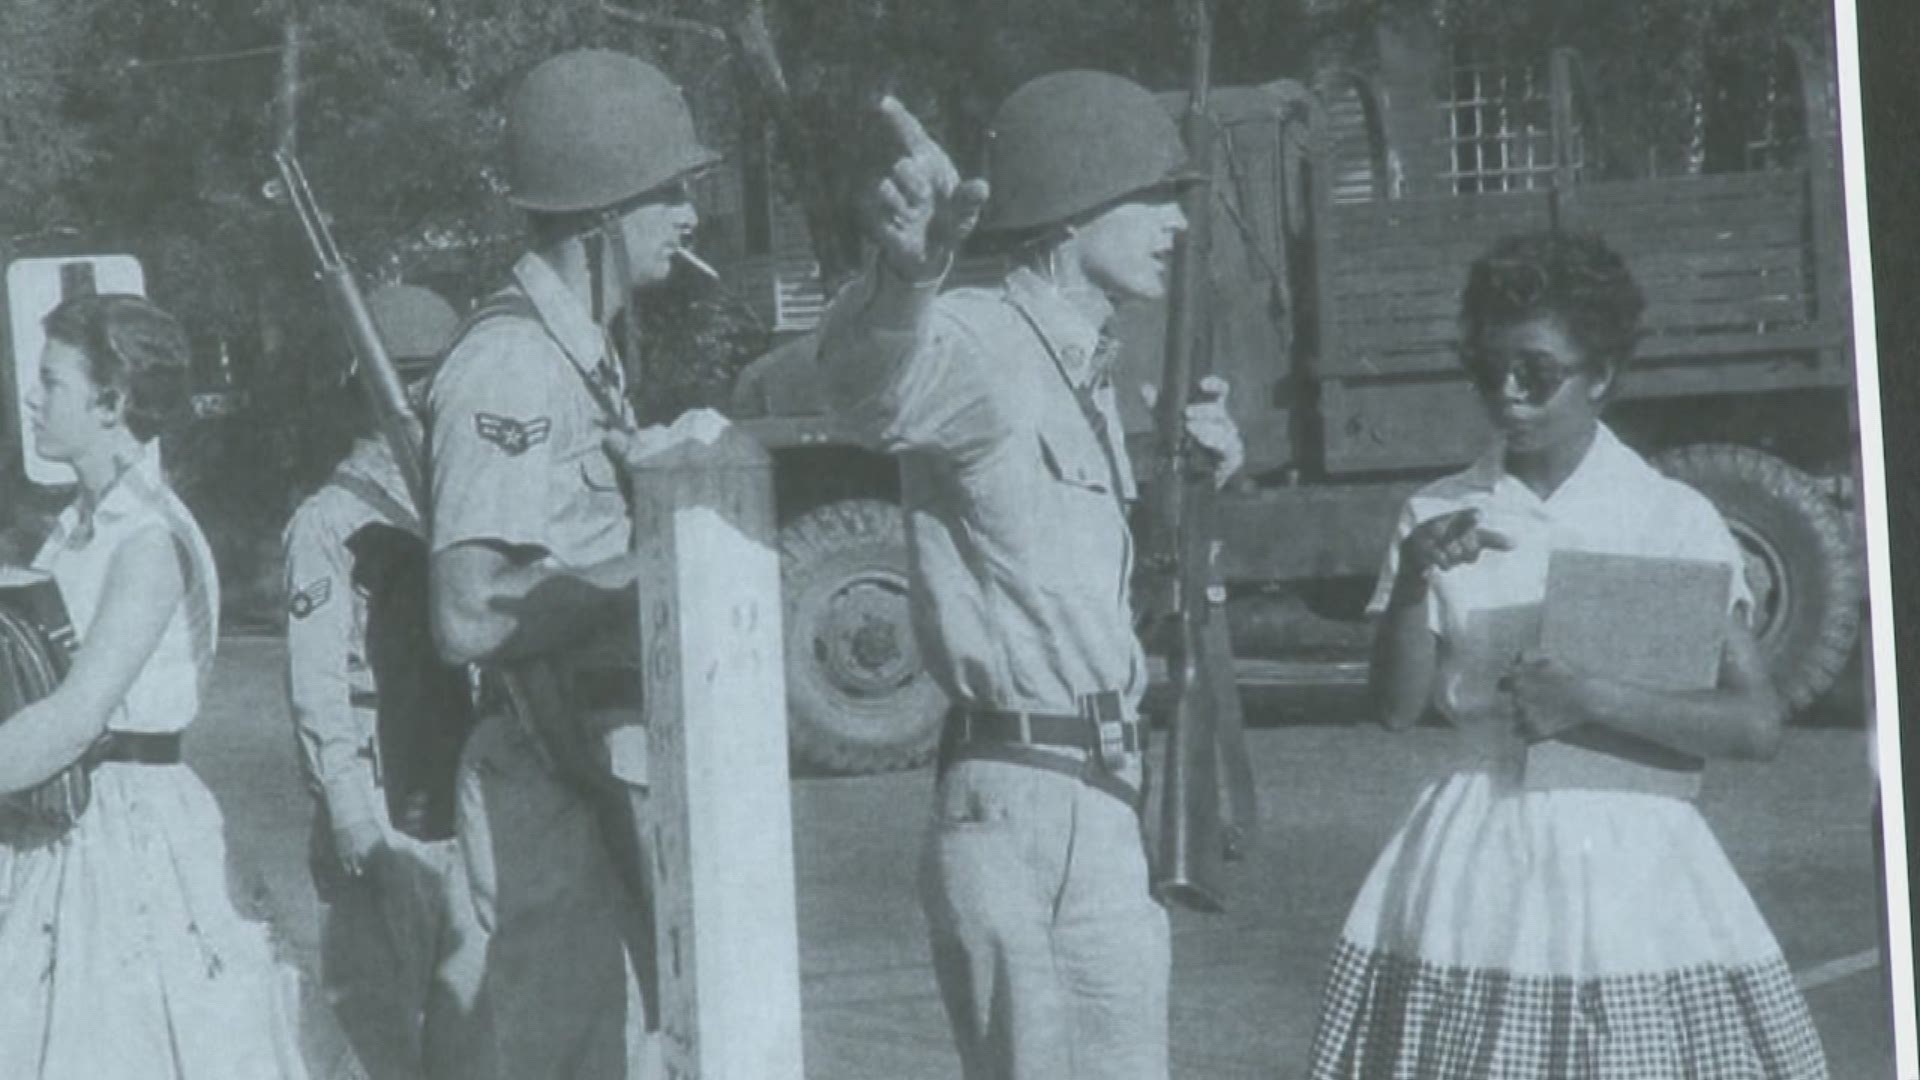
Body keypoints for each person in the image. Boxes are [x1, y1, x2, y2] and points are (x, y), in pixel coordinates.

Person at [1307, 230, 1828, 1078]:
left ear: (1602, 377)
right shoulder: (1437, 509)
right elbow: (1396, 712)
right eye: (1489, 371)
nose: (1508, 394)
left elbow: (1755, 723)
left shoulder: (1670, 517)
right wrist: (1411, 582)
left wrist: (1593, 699)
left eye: (1537, 373)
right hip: (1478, 855)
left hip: (1631, 861)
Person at [817, 72, 1244, 1079]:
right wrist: (907, 278)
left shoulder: (1087, 368)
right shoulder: (977, 340)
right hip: (1017, 800)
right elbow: (863, 395)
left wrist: (1198, 495)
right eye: (1151, 199)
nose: (1174, 227)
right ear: (1073, 207)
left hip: (1100, 794)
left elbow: (1092, 603)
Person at [424, 48, 718, 1080]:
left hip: (596, 767)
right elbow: (466, 613)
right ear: (603, 212)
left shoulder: (575, 355)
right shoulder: (509, 365)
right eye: (670, 194)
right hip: (547, 774)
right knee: (571, 1058)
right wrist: (660, 569)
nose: (690, 218)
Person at [0, 293, 307, 1077]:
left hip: (132, 837)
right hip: (57, 820)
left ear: (113, 402)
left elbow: (74, 718)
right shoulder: (74, 528)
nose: (32, 396)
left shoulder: (149, 540)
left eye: (52, 382)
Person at [283, 283, 467, 1078]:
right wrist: (353, 817)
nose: (423, 398)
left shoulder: (454, 501)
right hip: (384, 812)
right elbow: (317, 683)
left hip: (461, 798)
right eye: (411, 376)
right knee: (381, 1039)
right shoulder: (330, 521)